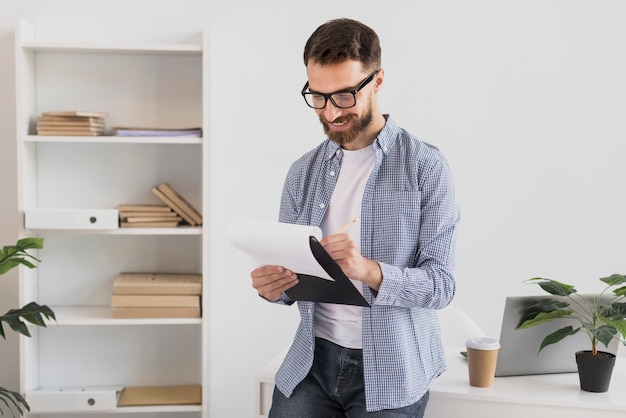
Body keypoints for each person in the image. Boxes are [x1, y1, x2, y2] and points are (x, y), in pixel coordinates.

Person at [251, 18, 460, 418]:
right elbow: (295, 282)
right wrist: (274, 286)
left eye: (345, 95)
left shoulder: (425, 166)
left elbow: (443, 285)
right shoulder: (302, 172)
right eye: (318, 96)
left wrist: (369, 271)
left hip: (393, 367)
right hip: (312, 362)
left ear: (377, 81)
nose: (331, 112)